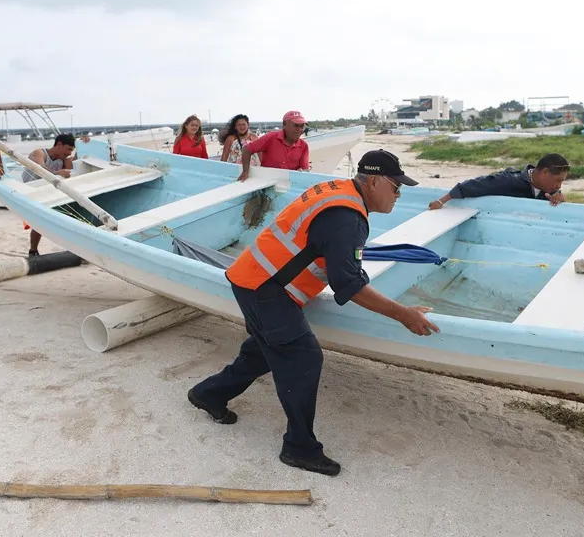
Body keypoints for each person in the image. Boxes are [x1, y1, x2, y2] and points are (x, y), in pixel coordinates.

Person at [188, 149, 440, 476]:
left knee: (266, 350)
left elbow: (333, 260)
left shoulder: (339, 192)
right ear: (374, 181)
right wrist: (404, 314)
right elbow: (347, 284)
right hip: (265, 289)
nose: (398, 194)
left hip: (252, 278)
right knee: (303, 357)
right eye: (396, 187)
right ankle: (299, 448)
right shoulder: (347, 219)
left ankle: (207, 393)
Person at [428, 153, 570, 209]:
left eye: (562, 182)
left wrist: (557, 197)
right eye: (558, 180)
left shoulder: (549, 190)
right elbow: (475, 185)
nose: (558, 185)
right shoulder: (508, 181)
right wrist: (442, 201)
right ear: (544, 172)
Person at [22, 133, 78, 257]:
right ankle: (33, 250)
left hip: (50, 193)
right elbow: (40, 169)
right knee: (38, 222)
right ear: (59, 144)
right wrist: (58, 172)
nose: (69, 153)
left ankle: (76, 248)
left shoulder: (64, 159)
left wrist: (84, 144)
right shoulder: (39, 153)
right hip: (31, 192)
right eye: (68, 149)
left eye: (71, 150)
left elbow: (72, 173)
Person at [236, 110, 309, 181]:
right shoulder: (270, 138)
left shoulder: (304, 146)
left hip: (288, 185)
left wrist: (302, 172)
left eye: (301, 126)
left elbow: (304, 170)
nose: (299, 130)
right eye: (296, 125)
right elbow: (247, 149)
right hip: (266, 182)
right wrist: (245, 171)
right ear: (284, 124)